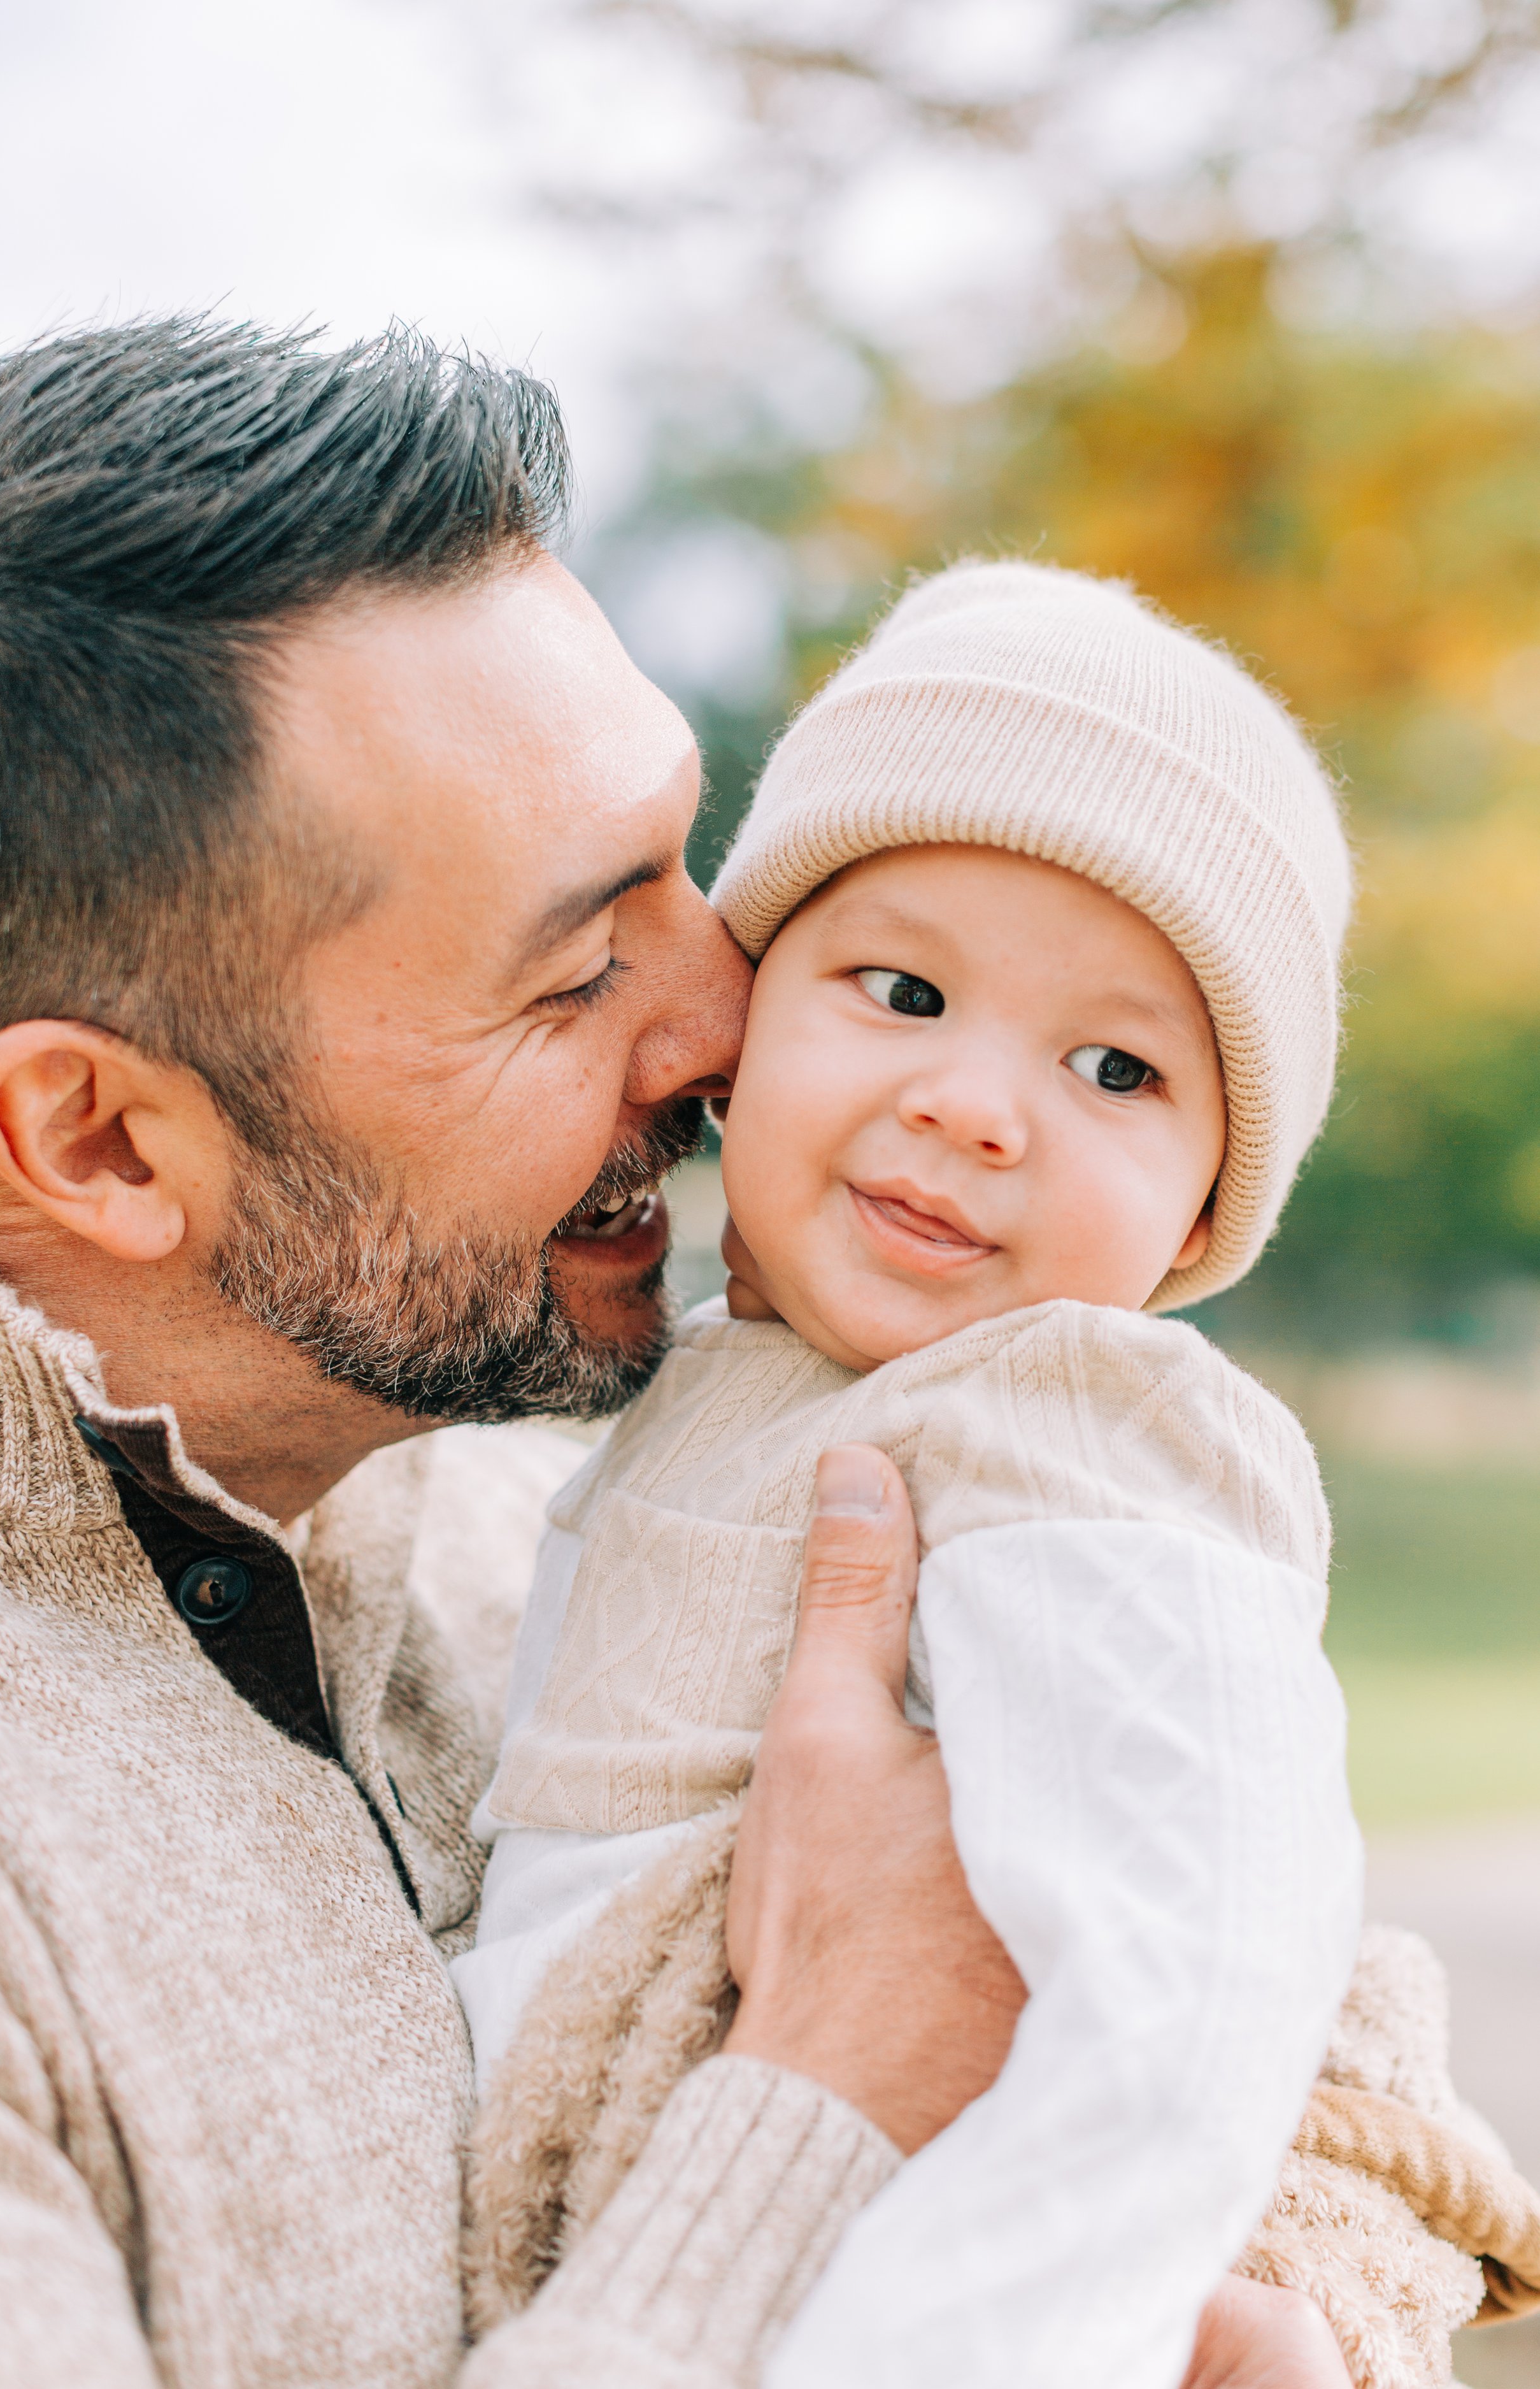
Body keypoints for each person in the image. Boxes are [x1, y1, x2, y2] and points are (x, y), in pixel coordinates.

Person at [0, 316, 1445, 2389]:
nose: (732, 1016)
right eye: (575, 970)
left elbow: (1294, 1984)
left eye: (688, 862)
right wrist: (826, 2087)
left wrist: (1298, 2312)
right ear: (103, 1138)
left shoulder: (519, 1491)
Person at [460, 566, 1540, 2388]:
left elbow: (1178, 1990)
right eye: (900, 988)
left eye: (1115, 1065)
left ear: (1201, 1213)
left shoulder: (1082, 1423)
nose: (976, 1105)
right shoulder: (691, 1386)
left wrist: (971, 2344)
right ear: (742, 1031)